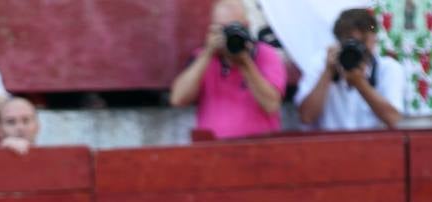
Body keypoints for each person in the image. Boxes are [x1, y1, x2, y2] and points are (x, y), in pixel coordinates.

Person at [168, 0, 288, 139]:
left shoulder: (265, 55)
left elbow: (271, 105)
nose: (228, 36)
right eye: (222, 29)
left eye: (233, 28)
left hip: (258, 149)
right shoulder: (203, 57)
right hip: (212, 151)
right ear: (212, 29)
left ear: (247, 27)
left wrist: (245, 63)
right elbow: (178, 99)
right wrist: (208, 53)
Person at [297, 7, 404, 131]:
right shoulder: (320, 63)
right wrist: (328, 73)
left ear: (374, 39)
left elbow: (393, 118)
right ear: (338, 41)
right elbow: (306, 117)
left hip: (374, 145)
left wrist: (360, 83)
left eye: (363, 41)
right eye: (350, 41)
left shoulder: (388, 68)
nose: (357, 47)